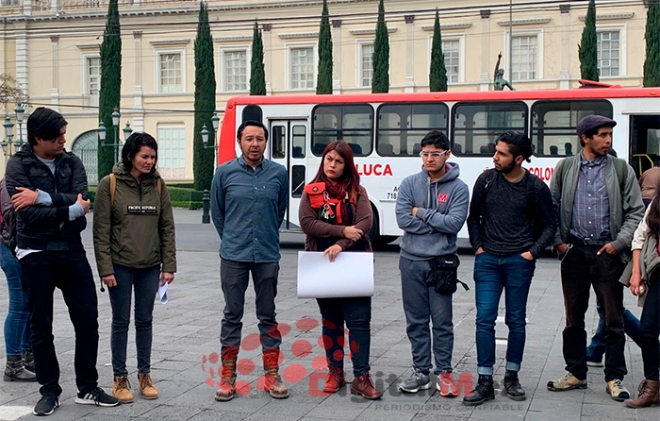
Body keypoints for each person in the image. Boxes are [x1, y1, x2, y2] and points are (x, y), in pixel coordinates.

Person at [4, 107, 119, 416]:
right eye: (56, 137)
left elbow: (83, 205)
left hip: (71, 250)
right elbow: (26, 213)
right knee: (41, 326)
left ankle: (87, 387)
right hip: (35, 253)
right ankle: (49, 390)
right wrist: (68, 208)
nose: (63, 141)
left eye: (64, 135)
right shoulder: (17, 165)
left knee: (88, 321)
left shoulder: (71, 162)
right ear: (38, 138)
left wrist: (42, 198)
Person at [547, 115, 645, 402]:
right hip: (574, 252)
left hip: (607, 253)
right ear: (585, 138)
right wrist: (558, 242)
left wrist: (618, 243)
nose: (608, 140)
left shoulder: (620, 169)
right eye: (601, 135)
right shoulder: (565, 168)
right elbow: (551, 207)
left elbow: (636, 211)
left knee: (614, 318)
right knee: (573, 318)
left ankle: (614, 377)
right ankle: (576, 373)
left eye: (609, 135)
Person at [465, 131, 556, 406]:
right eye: (496, 151)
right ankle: (484, 381)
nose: (495, 156)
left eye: (502, 153)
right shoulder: (486, 180)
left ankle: (512, 376)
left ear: (518, 159)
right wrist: (478, 247)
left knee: (516, 320)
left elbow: (549, 225)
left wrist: (531, 253)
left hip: (519, 261)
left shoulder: (535, 187)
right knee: (484, 319)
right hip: (488, 260)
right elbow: (473, 218)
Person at [93, 132, 176, 404]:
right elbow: (101, 230)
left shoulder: (159, 186)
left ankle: (145, 375)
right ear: (131, 156)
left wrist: (169, 265)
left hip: (150, 265)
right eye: (144, 156)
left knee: (145, 320)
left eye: (152, 157)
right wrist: (105, 268)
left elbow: (166, 227)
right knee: (120, 321)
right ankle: (120, 378)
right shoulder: (111, 184)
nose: (149, 161)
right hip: (119, 265)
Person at [211, 120, 289, 401]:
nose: (254, 144)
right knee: (232, 315)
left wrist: (264, 235)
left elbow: (279, 210)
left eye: (259, 138)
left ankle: (272, 375)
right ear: (239, 142)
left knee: (267, 315)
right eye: (249, 139)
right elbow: (218, 213)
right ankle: (227, 376)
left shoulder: (279, 173)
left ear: (266, 142)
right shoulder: (224, 173)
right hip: (234, 255)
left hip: (267, 254)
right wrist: (233, 238)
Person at [298, 140, 381, 400]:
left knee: (359, 322)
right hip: (323, 263)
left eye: (338, 161)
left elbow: (365, 223)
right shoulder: (311, 191)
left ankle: (361, 376)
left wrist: (341, 244)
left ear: (347, 165)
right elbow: (307, 223)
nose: (332, 165)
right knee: (331, 321)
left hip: (353, 262)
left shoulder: (358, 191)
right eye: (329, 159)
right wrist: (341, 231)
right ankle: (335, 372)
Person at [395, 131, 469, 397]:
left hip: (442, 263)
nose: (428, 159)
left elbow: (454, 225)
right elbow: (404, 220)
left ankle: (445, 372)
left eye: (434, 154)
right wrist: (436, 223)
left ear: (447, 155)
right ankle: (420, 371)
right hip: (410, 261)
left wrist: (422, 213)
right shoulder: (409, 184)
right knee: (415, 321)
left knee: (442, 321)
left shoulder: (458, 188)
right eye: (424, 154)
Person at [623, 196, 660, 407]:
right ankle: (653, 387)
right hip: (657, 274)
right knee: (647, 330)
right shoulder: (657, 202)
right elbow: (640, 237)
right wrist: (636, 272)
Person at [0, 180, 36, 382]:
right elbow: (11, 216)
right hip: (9, 247)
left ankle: (28, 356)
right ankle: (13, 364)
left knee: (28, 303)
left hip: (16, 247)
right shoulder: (10, 184)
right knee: (19, 305)